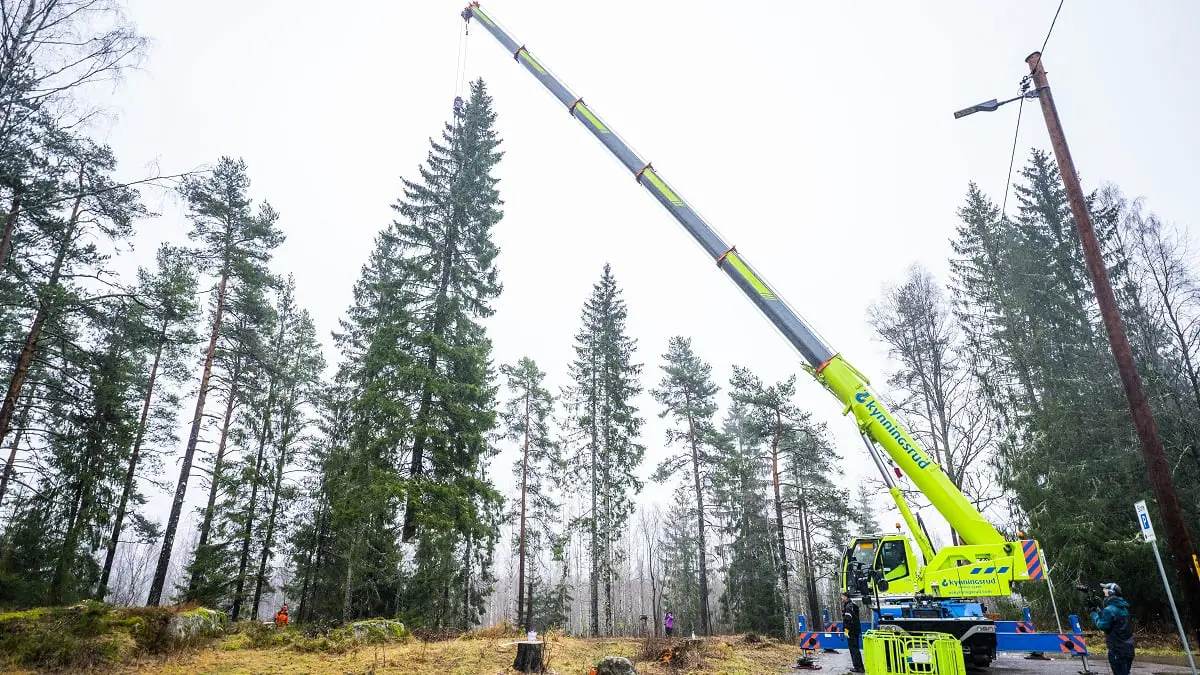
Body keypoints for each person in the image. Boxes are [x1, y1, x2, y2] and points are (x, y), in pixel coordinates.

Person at [1090, 583, 1134, 675]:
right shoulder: (1124, 608)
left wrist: (1094, 615)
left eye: (1105, 591)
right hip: (1128, 649)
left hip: (1116, 650)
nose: (1104, 593)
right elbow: (1116, 622)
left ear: (1111, 593)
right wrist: (1100, 613)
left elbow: (1102, 625)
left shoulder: (1109, 610)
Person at [842, 592, 864, 673]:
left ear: (846, 597)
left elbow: (848, 620)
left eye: (843, 597)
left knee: (854, 650)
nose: (842, 598)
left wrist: (846, 631)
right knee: (856, 649)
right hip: (855, 630)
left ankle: (858, 667)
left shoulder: (848, 607)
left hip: (851, 632)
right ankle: (859, 666)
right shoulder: (852, 605)